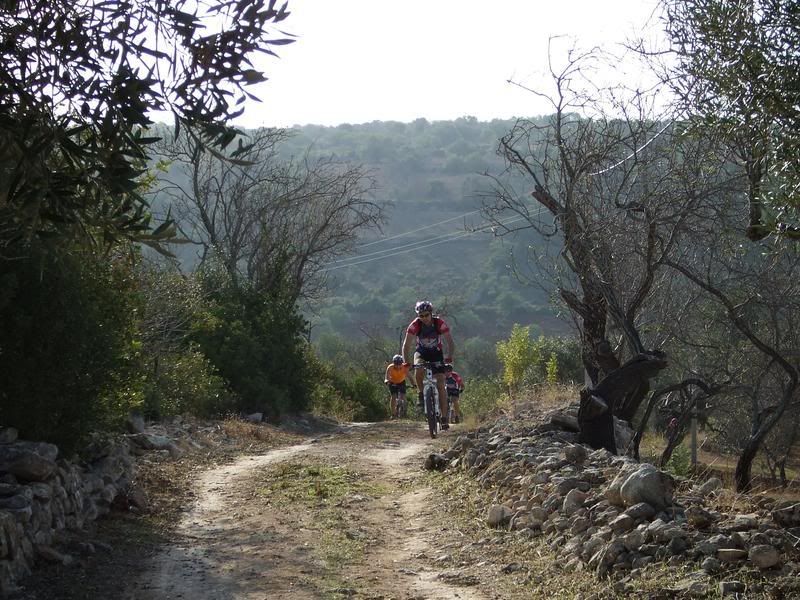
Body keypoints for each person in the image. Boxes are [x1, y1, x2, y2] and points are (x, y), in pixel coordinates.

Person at [402, 300, 455, 430]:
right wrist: (406, 362)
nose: (424, 318)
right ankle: (421, 393)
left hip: (436, 353)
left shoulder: (439, 323)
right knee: (418, 369)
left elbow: (450, 342)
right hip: (421, 352)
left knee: (441, 384)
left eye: (426, 315)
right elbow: (406, 345)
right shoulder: (415, 325)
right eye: (421, 316)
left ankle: (443, 418)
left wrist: (449, 357)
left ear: (431, 313)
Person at [384, 354, 411, 418]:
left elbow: (410, 377)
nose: (398, 366)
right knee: (393, 396)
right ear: (393, 363)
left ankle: (404, 412)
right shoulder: (390, 367)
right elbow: (386, 377)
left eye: (400, 364)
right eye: (396, 364)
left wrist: (414, 384)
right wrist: (386, 381)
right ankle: (393, 414)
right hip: (392, 382)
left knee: (403, 396)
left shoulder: (404, 367)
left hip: (401, 382)